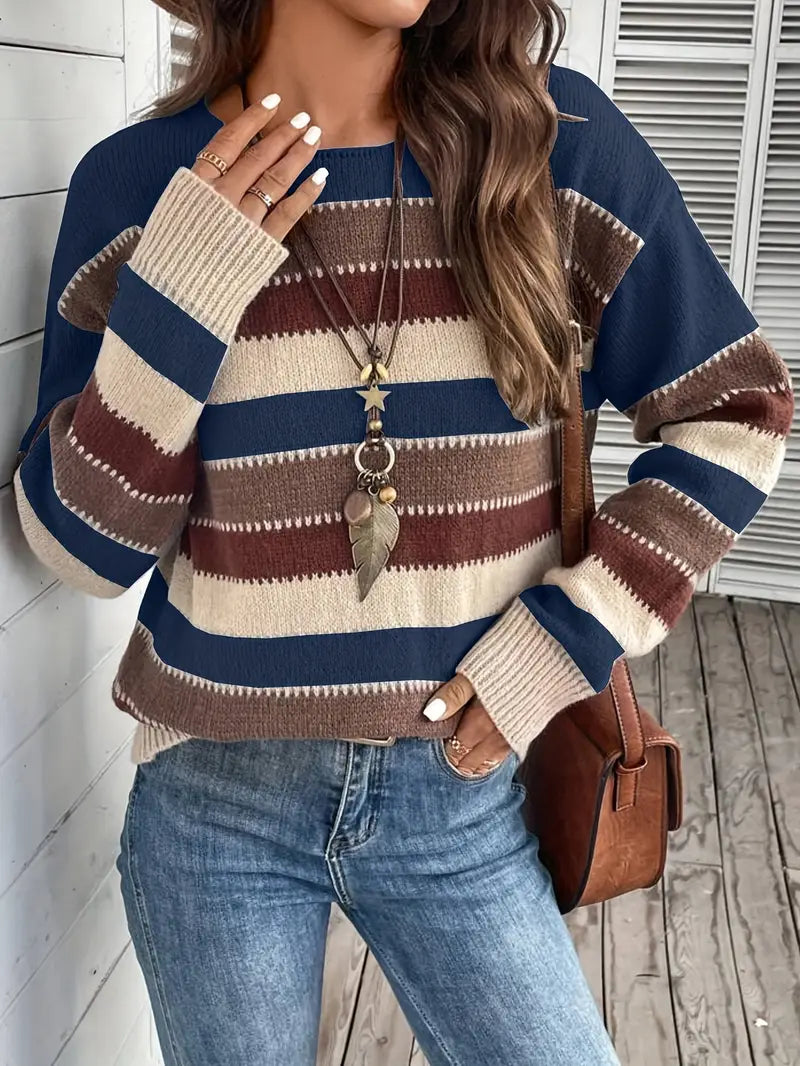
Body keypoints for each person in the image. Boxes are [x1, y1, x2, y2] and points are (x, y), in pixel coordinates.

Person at [13, 0, 793, 1063]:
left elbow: (734, 412)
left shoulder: (552, 148)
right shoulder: (136, 183)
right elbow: (85, 550)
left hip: (457, 797)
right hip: (211, 811)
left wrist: (563, 640)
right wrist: (178, 295)